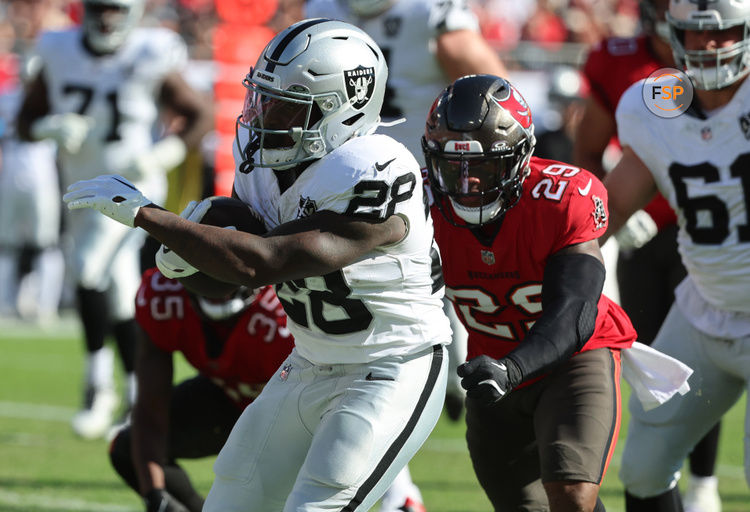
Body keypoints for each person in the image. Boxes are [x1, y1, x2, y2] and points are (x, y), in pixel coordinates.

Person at [64, 18, 451, 512]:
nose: (264, 114)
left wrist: (148, 215)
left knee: (315, 504)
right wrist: (188, 260)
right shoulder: (265, 165)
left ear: (339, 110)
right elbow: (230, 279)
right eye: (262, 97)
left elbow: (266, 263)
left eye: (285, 103)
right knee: (231, 498)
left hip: (392, 364)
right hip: (310, 360)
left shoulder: (375, 167)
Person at [423, 74, 637, 511]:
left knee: (572, 496)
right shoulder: (417, 201)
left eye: (481, 167)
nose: (468, 185)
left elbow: (574, 311)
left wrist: (512, 370)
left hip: (573, 358)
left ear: (519, 157)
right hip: (490, 365)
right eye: (453, 167)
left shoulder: (562, 197)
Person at [16, 0, 211, 439]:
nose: (106, 18)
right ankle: (138, 397)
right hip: (79, 190)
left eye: (115, 10)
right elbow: (25, 120)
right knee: (121, 297)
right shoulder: (58, 48)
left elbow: (198, 114)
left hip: (129, 190)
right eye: (99, 8)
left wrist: (166, 152)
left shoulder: (150, 50)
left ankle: (96, 387)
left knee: (86, 270)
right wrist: (50, 126)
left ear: (133, 13)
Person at [305, 0, 509, 421]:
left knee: (446, 276)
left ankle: (449, 374)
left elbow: (493, 98)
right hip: (343, 179)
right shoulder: (322, 9)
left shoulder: (429, 14)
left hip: (426, 176)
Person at [599, 0, 750, 508]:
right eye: (694, 32)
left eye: (723, 33)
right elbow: (614, 204)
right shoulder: (653, 104)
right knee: (642, 467)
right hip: (703, 306)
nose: (708, 45)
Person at [575, 4, 723, 508]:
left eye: (721, 34)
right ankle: (694, 485)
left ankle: (704, 483)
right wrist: (599, 214)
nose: (708, 47)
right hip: (674, 266)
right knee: (647, 445)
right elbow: (598, 167)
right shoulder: (645, 90)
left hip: (725, 260)